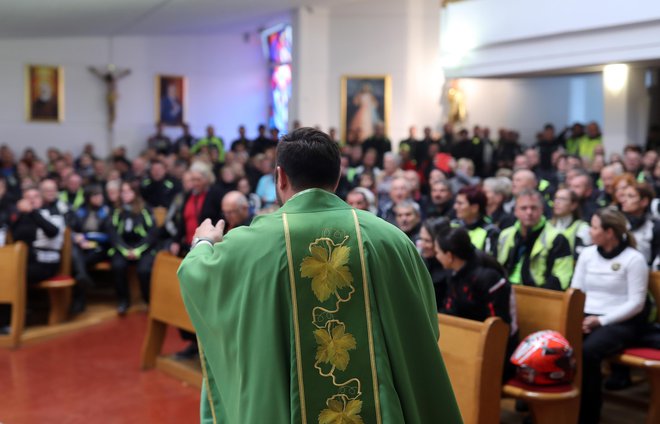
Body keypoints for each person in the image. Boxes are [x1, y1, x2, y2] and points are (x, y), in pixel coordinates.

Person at [178, 127, 461, 423]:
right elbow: (424, 323)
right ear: (337, 179)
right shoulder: (390, 239)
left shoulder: (247, 244)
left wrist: (203, 242)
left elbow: (197, 277)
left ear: (281, 177)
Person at [571, 207, 648, 424]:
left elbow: (636, 303)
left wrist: (600, 321)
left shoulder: (633, 259)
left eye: (594, 227)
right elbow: (576, 290)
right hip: (587, 317)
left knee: (588, 352)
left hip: (621, 320)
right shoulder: (587, 254)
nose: (589, 232)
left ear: (609, 233)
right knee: (560, 346)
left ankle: (588, 413)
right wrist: (577, 318)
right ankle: (558, 406)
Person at [434, 226, 518, 380]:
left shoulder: (488, 277)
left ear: (449, 255)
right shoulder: (454, 272)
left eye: (438, 252)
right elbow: (450, 308)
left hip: (497, 351)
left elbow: (499, 327)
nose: (436, 256)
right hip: (468, 341)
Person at [497, 189, 574, 290]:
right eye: (524, 208)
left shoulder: (558, 238)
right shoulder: (505, 234)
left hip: (538, 294)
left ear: (541, 210)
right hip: (506, 290)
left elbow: (563, 276)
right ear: (515, 211)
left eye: (534, 208)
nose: (529, 212)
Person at [108, 182, 157, 314]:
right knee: (118, 266)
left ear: (135, 193)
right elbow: (113, 234)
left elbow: (152, 234)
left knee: (144, 270)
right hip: (123, 248)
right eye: (123, 192)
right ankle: (123, 301)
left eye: (128, 191)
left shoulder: (145, 209)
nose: (125, 195)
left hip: (143, 248)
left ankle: (149, 301)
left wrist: (137, 250)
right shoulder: (116, 210)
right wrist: (124, 250)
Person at [452, 185, 500, 256]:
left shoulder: (490, 231)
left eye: (460, 203)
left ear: (475, 208)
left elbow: (488, 262)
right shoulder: (453, 224)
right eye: (456, 203)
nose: (455, 207)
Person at [550, 188, 592, 258]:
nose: (557, 202)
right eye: (556, 198)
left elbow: (585, 257)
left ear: (573, 205)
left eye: (562, 199)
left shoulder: (583, 229)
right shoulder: (548, 225)